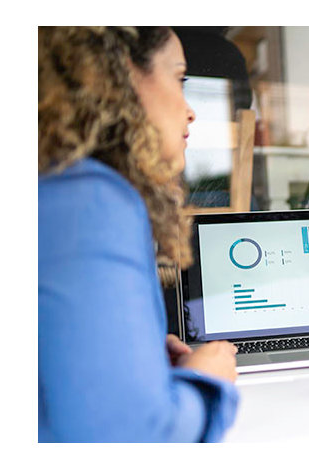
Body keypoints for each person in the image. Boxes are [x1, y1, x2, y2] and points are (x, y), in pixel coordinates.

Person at [39, 27, 239, 442]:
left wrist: (131, 353)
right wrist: (207, 383)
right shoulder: (90, 200)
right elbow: (133, 436)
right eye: (179, 80)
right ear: (120, 75)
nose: (191, 110)